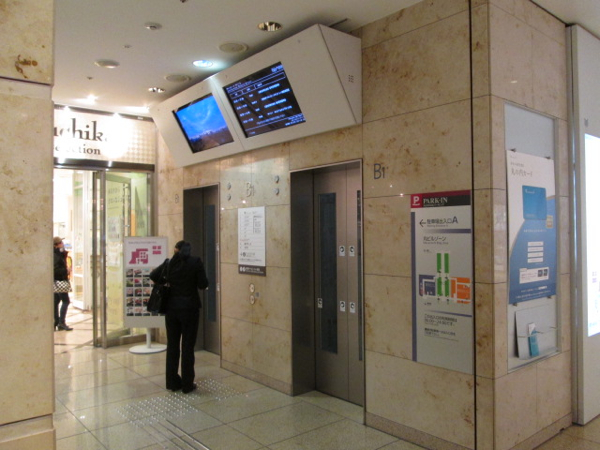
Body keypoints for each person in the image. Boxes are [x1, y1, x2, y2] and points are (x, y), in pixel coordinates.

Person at [150, 240, 208, 393]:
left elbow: (153, 275)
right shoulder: (195, 262)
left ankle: (172, 382)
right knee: (188, 347)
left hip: (171, 310)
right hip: (190, 309)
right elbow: (203, 284)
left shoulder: (169, 263)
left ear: (176, 250)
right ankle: (187, 384)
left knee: (172, 346)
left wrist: (167, 281)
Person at [53, 236, 73, 331]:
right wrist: (66, 270)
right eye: (61, 242)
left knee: (56, 301)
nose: (62, 244)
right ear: (56, 245)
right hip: (60, 280)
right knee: (66, 301)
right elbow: (56, 270)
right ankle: (61, 322)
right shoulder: (56, 255)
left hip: (57, 281)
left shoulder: (58, 254)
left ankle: (56, 321)